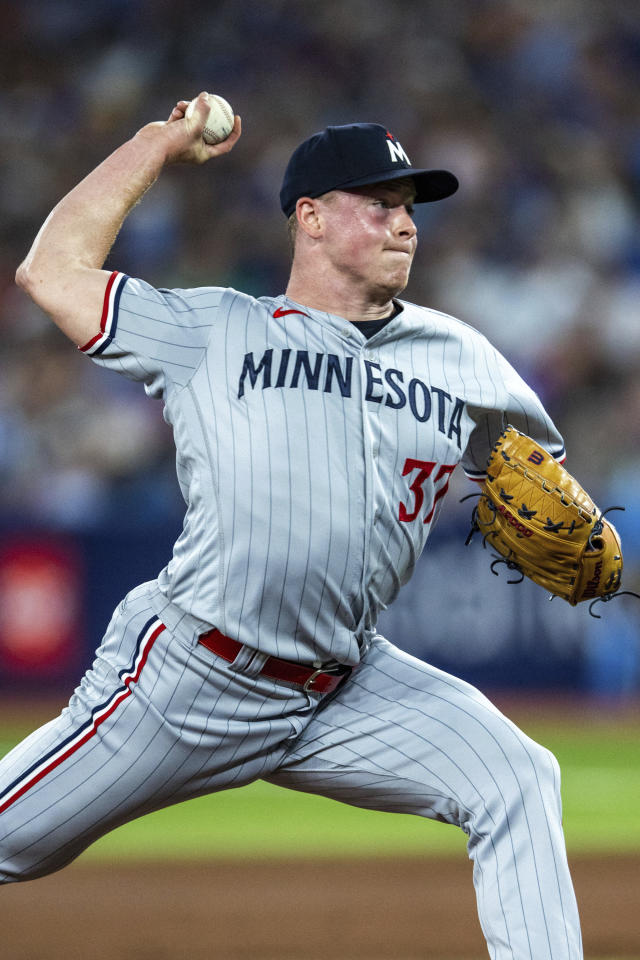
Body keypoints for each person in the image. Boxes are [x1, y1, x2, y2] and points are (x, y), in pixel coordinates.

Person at [4, 93, 582, 958]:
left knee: (516, 776)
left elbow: (539, 482)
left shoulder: (461, 357)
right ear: (309, 218)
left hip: (345, 685)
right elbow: (50, 272)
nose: (404, 224)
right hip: (189, 680)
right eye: (379, 203)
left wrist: (564, 524)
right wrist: (154, 145)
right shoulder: (213, 330)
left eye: (409, 207)